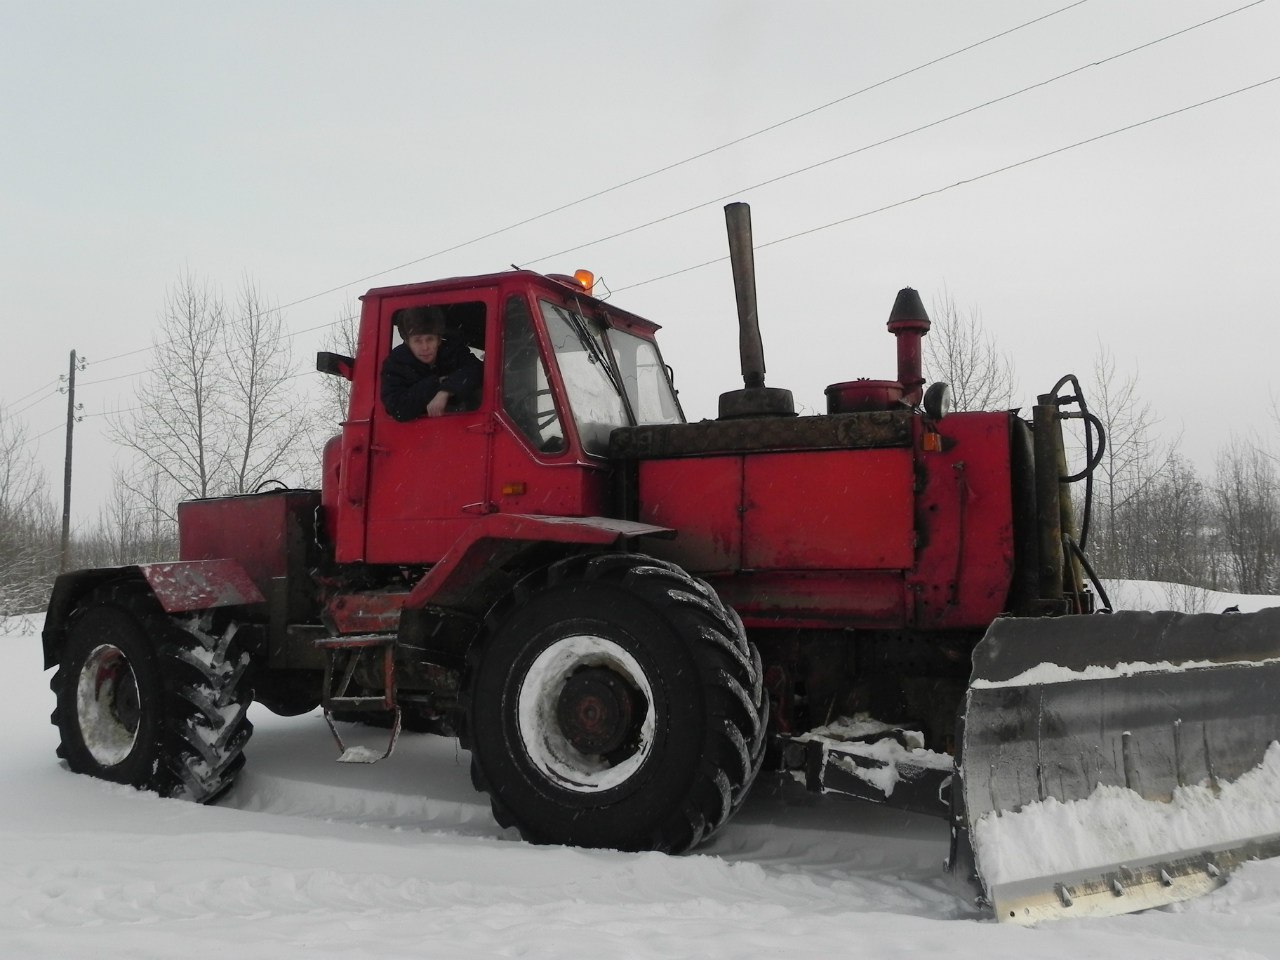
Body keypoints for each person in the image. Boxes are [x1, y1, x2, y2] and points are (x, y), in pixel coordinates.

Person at [380, 306, 483, 421]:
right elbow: (398, 408)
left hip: (466, 424)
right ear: (408, 342)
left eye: (430, 339)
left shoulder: (453, 352)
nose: (425, 347)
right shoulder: (397, 363)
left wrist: (446, 391)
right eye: (418, 340)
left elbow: (477, 370)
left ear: (438, 340)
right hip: (418, 434)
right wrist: (435, 383)